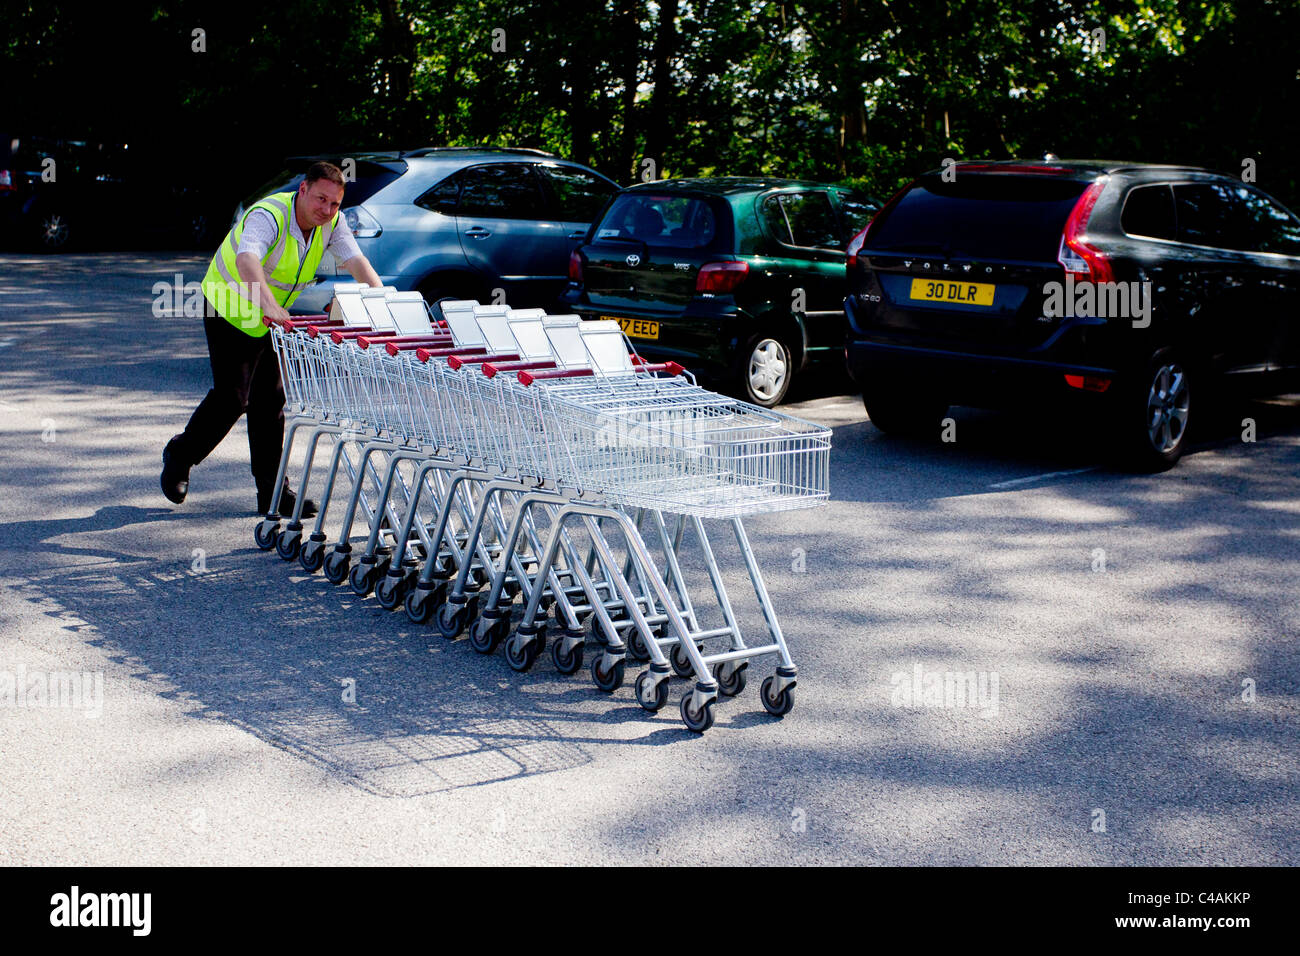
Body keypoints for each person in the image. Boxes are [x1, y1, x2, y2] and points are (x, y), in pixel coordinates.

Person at [160, 161, 382, 516]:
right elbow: (247, 258)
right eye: (321, 199)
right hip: (228, 305)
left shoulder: (332, 224)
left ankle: (273, 493)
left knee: (270, 401)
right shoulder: (270, 214)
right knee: (232, 399)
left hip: (272, 317)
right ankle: (180, 454)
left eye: (335, 203)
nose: (327, 210)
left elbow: (357, 263)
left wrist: (383, 303)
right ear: (304, 190)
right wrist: (269, 305)